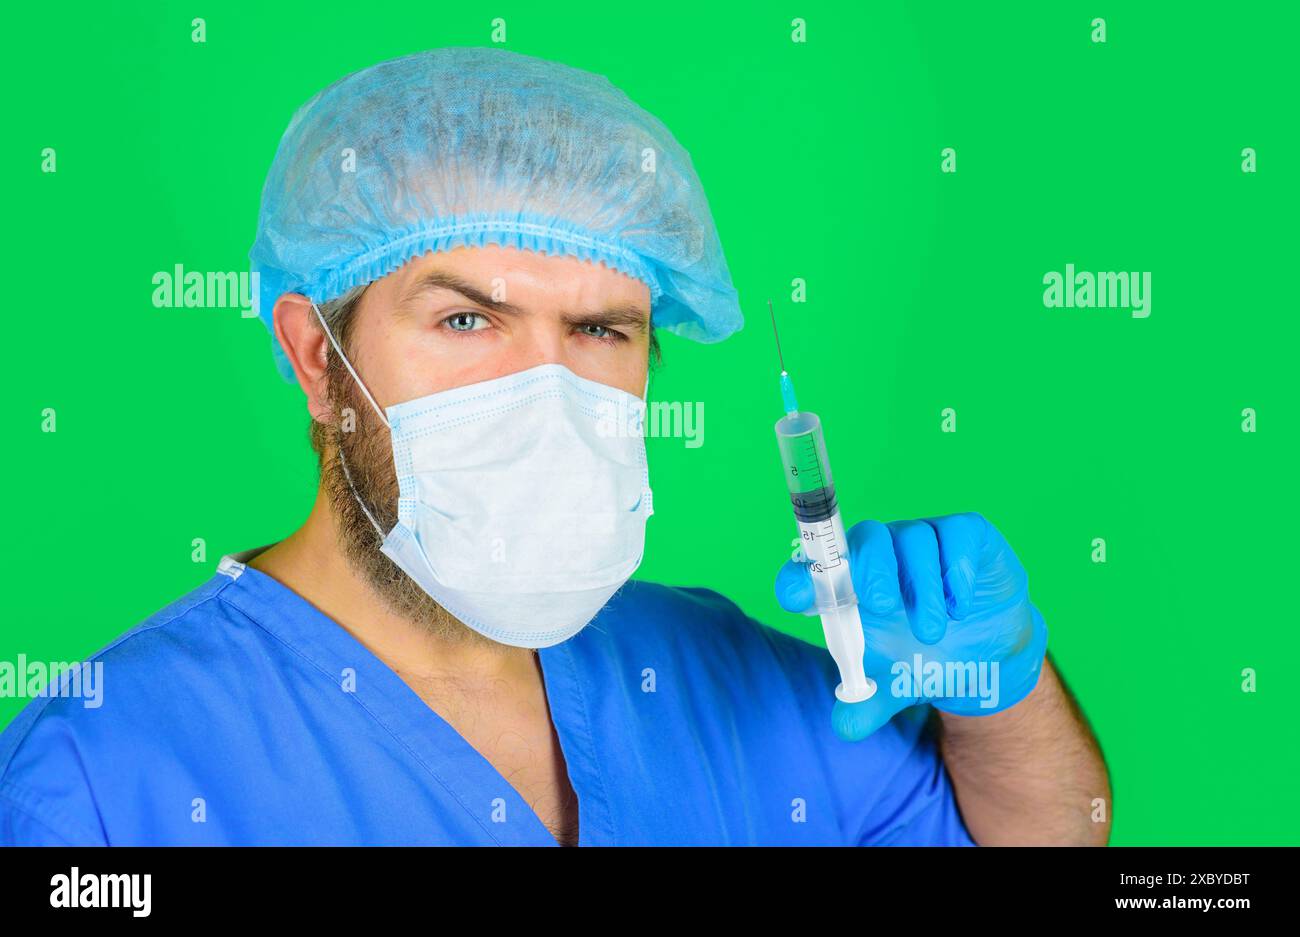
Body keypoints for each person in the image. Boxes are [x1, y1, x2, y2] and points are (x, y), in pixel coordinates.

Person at [0, 47, 1108, 846]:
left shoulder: (723, 680)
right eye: (467, 320)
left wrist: (995, 689)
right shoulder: (105, 772)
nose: (546, 390)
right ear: (315, 357)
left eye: (598, 330)